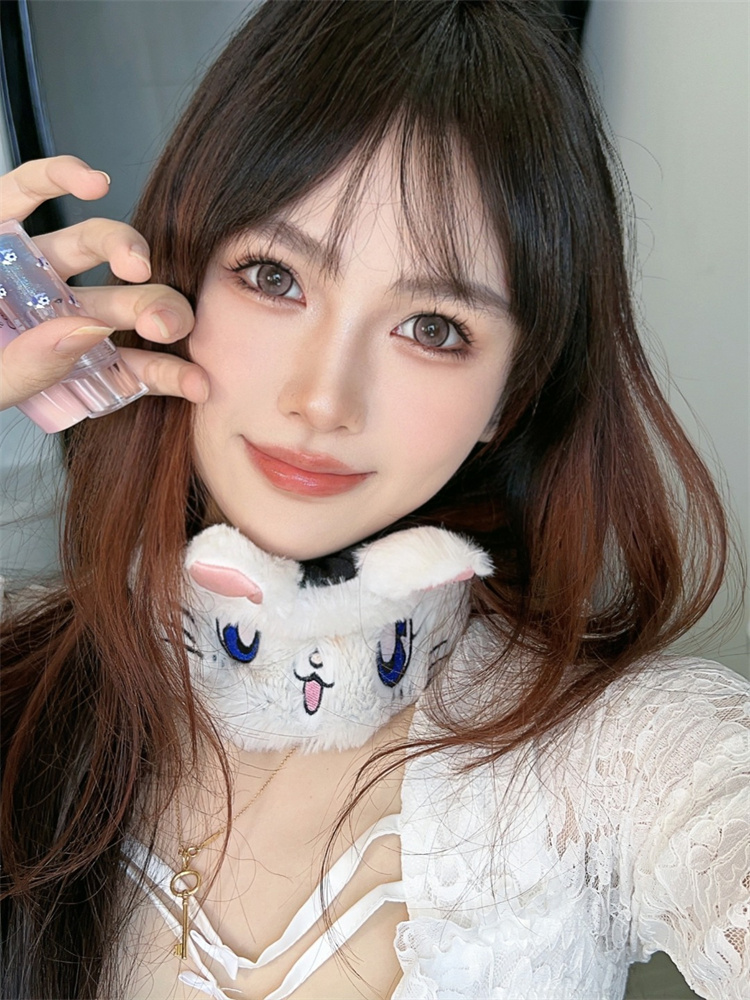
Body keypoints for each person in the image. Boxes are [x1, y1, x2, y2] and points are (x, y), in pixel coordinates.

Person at [1, 2, 748, 999]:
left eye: (433, 327)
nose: (323, 399)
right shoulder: (26, 680)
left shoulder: (619, 756)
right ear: (181, 284)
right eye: (274, 276)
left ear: (511, 395)